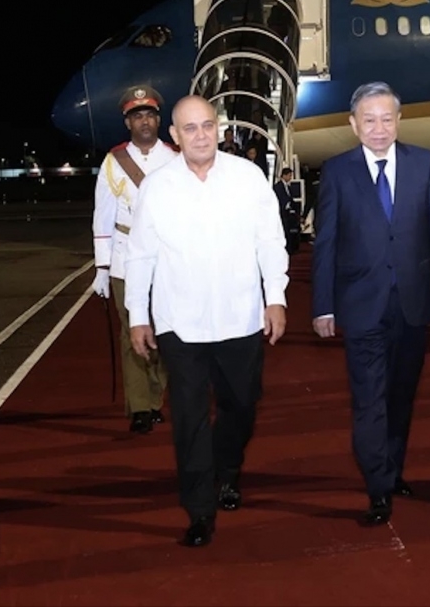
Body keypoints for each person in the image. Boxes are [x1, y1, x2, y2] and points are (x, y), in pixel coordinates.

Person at [124, 95, 288, 547]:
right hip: (181, 323)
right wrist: (138, 316)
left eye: (207, 126)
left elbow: (270, 242)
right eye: (190, 128)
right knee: (190, 418)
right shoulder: (157, 187)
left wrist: (275, 299)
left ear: (218, 128)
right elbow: (141, 255)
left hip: (240, 319)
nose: (200, 135)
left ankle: (227, 469)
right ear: (174, 136)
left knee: (241, 406)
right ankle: (200, 509)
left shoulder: (248, 178)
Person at [311, 81, 430, 526]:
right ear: (353, 124)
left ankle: (393, 468)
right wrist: (323, 305)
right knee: (369, 399)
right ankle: (378, 486)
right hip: (360, 305)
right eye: (369, 120)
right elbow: (326, 243)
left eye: (386, 118)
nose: (378, 128)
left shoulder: (424, 166)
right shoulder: (337, 171)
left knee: (401, 396)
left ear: (399, 121)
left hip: (414, 304)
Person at [91, 85, 177, 434]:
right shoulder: (114, 162)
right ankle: (140, 407)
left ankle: (156, 398)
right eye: (137, 116)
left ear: (159, 120)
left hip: (166, 261)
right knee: (132, 335)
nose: (144, 121)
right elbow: (103, 215)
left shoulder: (175, 157)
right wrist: (102, 266)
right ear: (128, 123)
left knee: (167, 335)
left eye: (150, 115)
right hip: (126, 259)